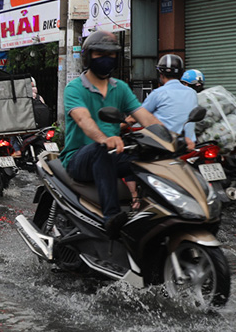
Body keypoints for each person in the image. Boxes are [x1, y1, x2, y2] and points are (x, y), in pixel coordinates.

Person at [59, 30, 160, 238]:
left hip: (112, 153)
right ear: (88, 57)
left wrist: (170, 139)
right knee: (101, 150)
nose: (106, 59)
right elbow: (83, 120)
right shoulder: (74, 88)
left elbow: (144, 117)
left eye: (111, 54)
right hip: (79, 158)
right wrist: (104, 139)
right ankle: (111, 217)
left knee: (149, 155)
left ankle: (152, 212)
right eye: (100, 54)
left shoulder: (120, 88)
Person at [137, 54, 197, 150]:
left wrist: (119, 127)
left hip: (164, 146)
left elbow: (137, 115)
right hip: (189, 146)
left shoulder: (158, 93)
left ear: (160, 74)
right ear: (181, 73)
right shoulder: (193, 93)